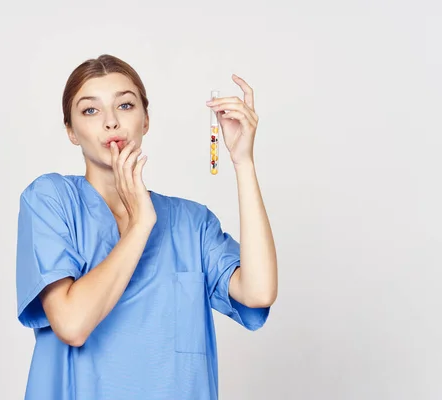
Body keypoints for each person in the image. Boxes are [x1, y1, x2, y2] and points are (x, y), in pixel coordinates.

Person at [15, 54, 278, 399]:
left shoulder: (191, 222)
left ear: (146, 120)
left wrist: (243, 162)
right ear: (71, 131)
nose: (111, 122)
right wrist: (140, 225)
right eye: (90, 110)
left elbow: (258, 292)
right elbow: (72, 324)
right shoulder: (51, 200)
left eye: (125, 105)